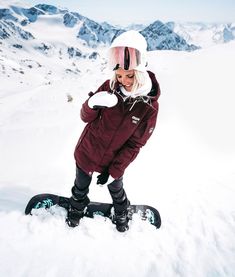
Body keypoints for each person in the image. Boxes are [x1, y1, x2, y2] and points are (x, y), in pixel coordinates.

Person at [66, 30, 161, 232]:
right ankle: (77, 205)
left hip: (114, 159)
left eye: (129, 75)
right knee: (80, 184)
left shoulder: (149, 107)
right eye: (118, 75)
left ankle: (121, 210)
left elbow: (136, 144)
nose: (123, 80)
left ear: (141, 71)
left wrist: (115, 170)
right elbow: (86, 118)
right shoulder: (109, 87)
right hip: (88, 150)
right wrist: (91, 104)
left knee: (116, 189)